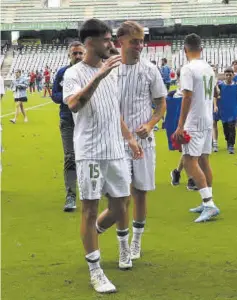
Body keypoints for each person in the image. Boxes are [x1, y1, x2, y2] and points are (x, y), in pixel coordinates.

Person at [63, 18, 143, 294]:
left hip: (115, 150)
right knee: (90, 208)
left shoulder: (115, 71)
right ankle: (95, 271)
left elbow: (112, 110)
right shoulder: (74, 73)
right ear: (90, 43)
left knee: (122, 205)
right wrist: (98, 76)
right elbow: (74, 104)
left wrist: (129, 139)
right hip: (91, 152)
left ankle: (92, 234)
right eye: (107, 40)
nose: (112, 44)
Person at [96, 21, 167, 261]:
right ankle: (123, 246)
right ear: (120, 42)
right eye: (134, 41)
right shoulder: (110, 71)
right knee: (121, 197)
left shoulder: (150, 70)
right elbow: (109, 110)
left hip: (144, 142)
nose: (139, 45)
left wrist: (150, 124)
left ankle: (136, 242)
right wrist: (128, 136)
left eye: (141, 41)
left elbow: (160, 104)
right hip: (117, 143)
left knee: (140, 193)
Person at [173, 33, 220, 223]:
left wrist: (180, 125)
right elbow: (215, 92)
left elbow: (187, 96)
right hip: (207, 119)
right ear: (201, 49)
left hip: (194, 120)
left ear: (185, 50)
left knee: (189, 161)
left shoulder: (188, 69)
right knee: (204, 161)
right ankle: (208, 200)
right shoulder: (208, 68)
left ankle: (208, 204)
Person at [52, 41, 85, 212]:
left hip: (87, 120)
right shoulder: (62, 72)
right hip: (67, 119)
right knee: (70, 157)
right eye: (75, 53)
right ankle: (71, 194)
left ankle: (95, 189)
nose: (78, 56)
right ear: (69, 55)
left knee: (91, 156)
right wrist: (68, 96)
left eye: (80, 53)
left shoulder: (91, 72)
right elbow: (54, 94)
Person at [168, 70, 199, 190]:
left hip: (192, 121)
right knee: (187, 151)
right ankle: (191, 179)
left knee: (189, 150)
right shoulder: (176, 94)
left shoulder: (191, 90)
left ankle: (177, 172)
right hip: (181, 123)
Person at [215, 67, 237, 154]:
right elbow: (216, 95)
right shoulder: (221, 86)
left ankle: (231, 145)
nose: (229, 76)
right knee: (226, 128)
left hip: (233, 110)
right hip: (224, 111)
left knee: (232, 127)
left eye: (230, 75)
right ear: (224, 76)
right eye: (227, 75)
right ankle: (228, 140)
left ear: (233, 75)